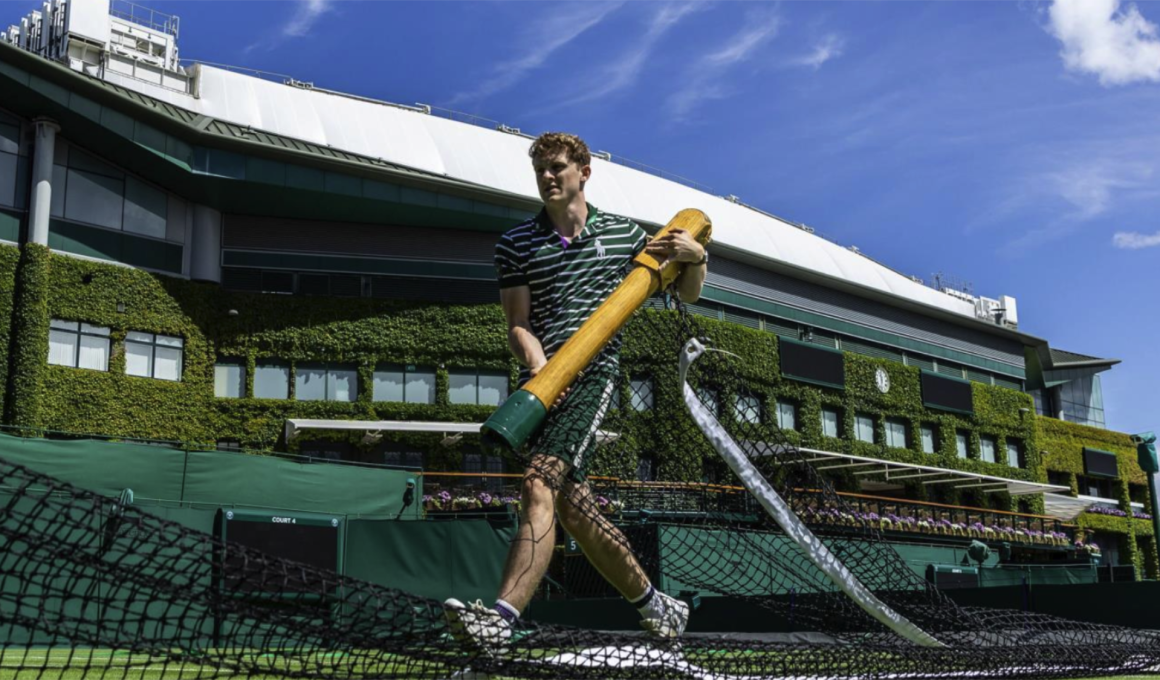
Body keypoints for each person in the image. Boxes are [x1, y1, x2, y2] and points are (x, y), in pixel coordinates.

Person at [443, 132, 708, 652]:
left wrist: (696, 257)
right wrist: (544, 371)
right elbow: (518, 325)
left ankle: (499, 620)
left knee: (539, 486)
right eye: (540, 168)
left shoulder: (624, 235)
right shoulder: (516, 244)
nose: (547, 176)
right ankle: (659, 607)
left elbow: (686, 293)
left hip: (592, 376)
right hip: (540, 382)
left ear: (583, 171)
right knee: (574, 509)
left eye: (557, 167)